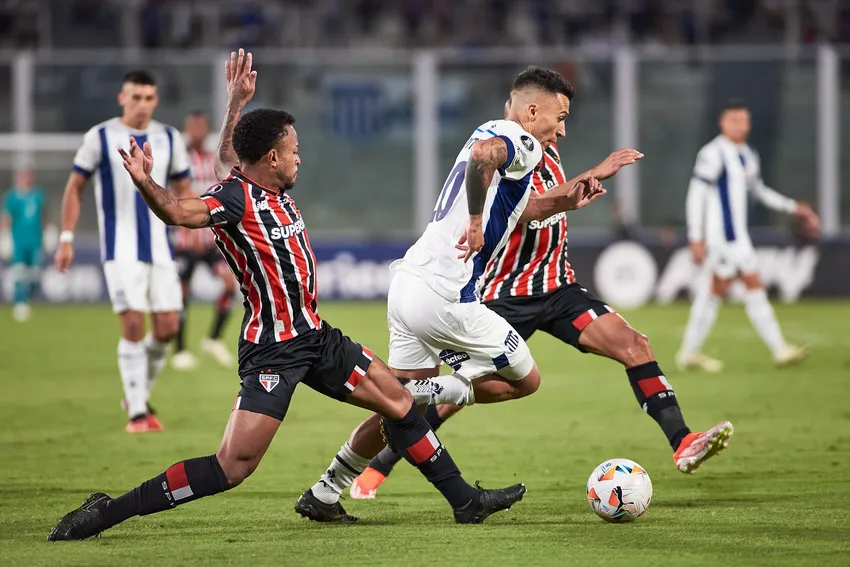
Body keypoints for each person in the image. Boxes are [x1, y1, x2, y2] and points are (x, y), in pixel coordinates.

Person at [47, 50, 526, 542]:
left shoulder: (260, 185)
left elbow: (227, 158)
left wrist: (235, 102)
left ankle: (465, 502)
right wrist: (147, 182)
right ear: (272, 157)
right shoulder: (234, 199)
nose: (300, 156)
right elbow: (178, 212)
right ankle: (108, 510)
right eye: (294, 149)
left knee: (399, 402)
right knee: (231, 467)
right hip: (273, 349)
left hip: (315, 337)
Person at [296, 67, 645, 517]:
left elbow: (528, 208)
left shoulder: (503, 141)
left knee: (395, 409)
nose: (561, 128)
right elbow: (484, 156)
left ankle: (327, 489)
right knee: (526, 380)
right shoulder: (518, 139)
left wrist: (579, 188)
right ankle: (422, 391)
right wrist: (477, 220)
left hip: (409, 283)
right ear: (531, 110)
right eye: (559, 117)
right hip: (444, 295)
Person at [54, 70, 192, 433]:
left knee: (167, 328)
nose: (142, 105)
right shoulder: (99, 137)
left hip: (162, 247)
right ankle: (137, 414)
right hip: (121, 249)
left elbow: (183, 185)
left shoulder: (169, 138)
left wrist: (195, 224)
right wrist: (66, 237)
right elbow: (74, 187)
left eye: (149, 98)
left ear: (156, 100)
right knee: (133, 323)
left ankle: (136, 394)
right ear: (122, 98)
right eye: (136, 97)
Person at [677, 100, 820, 371]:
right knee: (753, 285)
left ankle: (689, 353)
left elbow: (760, 191)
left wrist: (793, 208)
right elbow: (696, 194)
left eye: (744, 121)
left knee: (713, 293)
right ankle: (779, 349)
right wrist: (696, 235)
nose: (740, 126)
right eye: (734, 121)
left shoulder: (747, 154)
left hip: (737, 237)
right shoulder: (713, 153)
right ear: (723, 123)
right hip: (723, 239)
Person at [171, 110, 237, 371]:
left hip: (211, 239)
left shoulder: (213, 160)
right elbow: (174, 198)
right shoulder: (179, 161)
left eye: (200, 127)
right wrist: (189, 232)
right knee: (181, 294)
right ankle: (180, 350)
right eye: (192, 126)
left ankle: (213, 339)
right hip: (185, 241)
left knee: (229, 283)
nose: (195, 131)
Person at [1, 169, 46, 322]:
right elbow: (6, 217)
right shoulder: (12, 197)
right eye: (23, 176)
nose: (25, 179)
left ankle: (29, 298)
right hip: (18, 242)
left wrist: (49, 231)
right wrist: (5, 237)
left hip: (35, 242)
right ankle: (20, 303)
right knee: (19, 273)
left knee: (34, 275)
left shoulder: (38, 195)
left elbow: (44, 215)